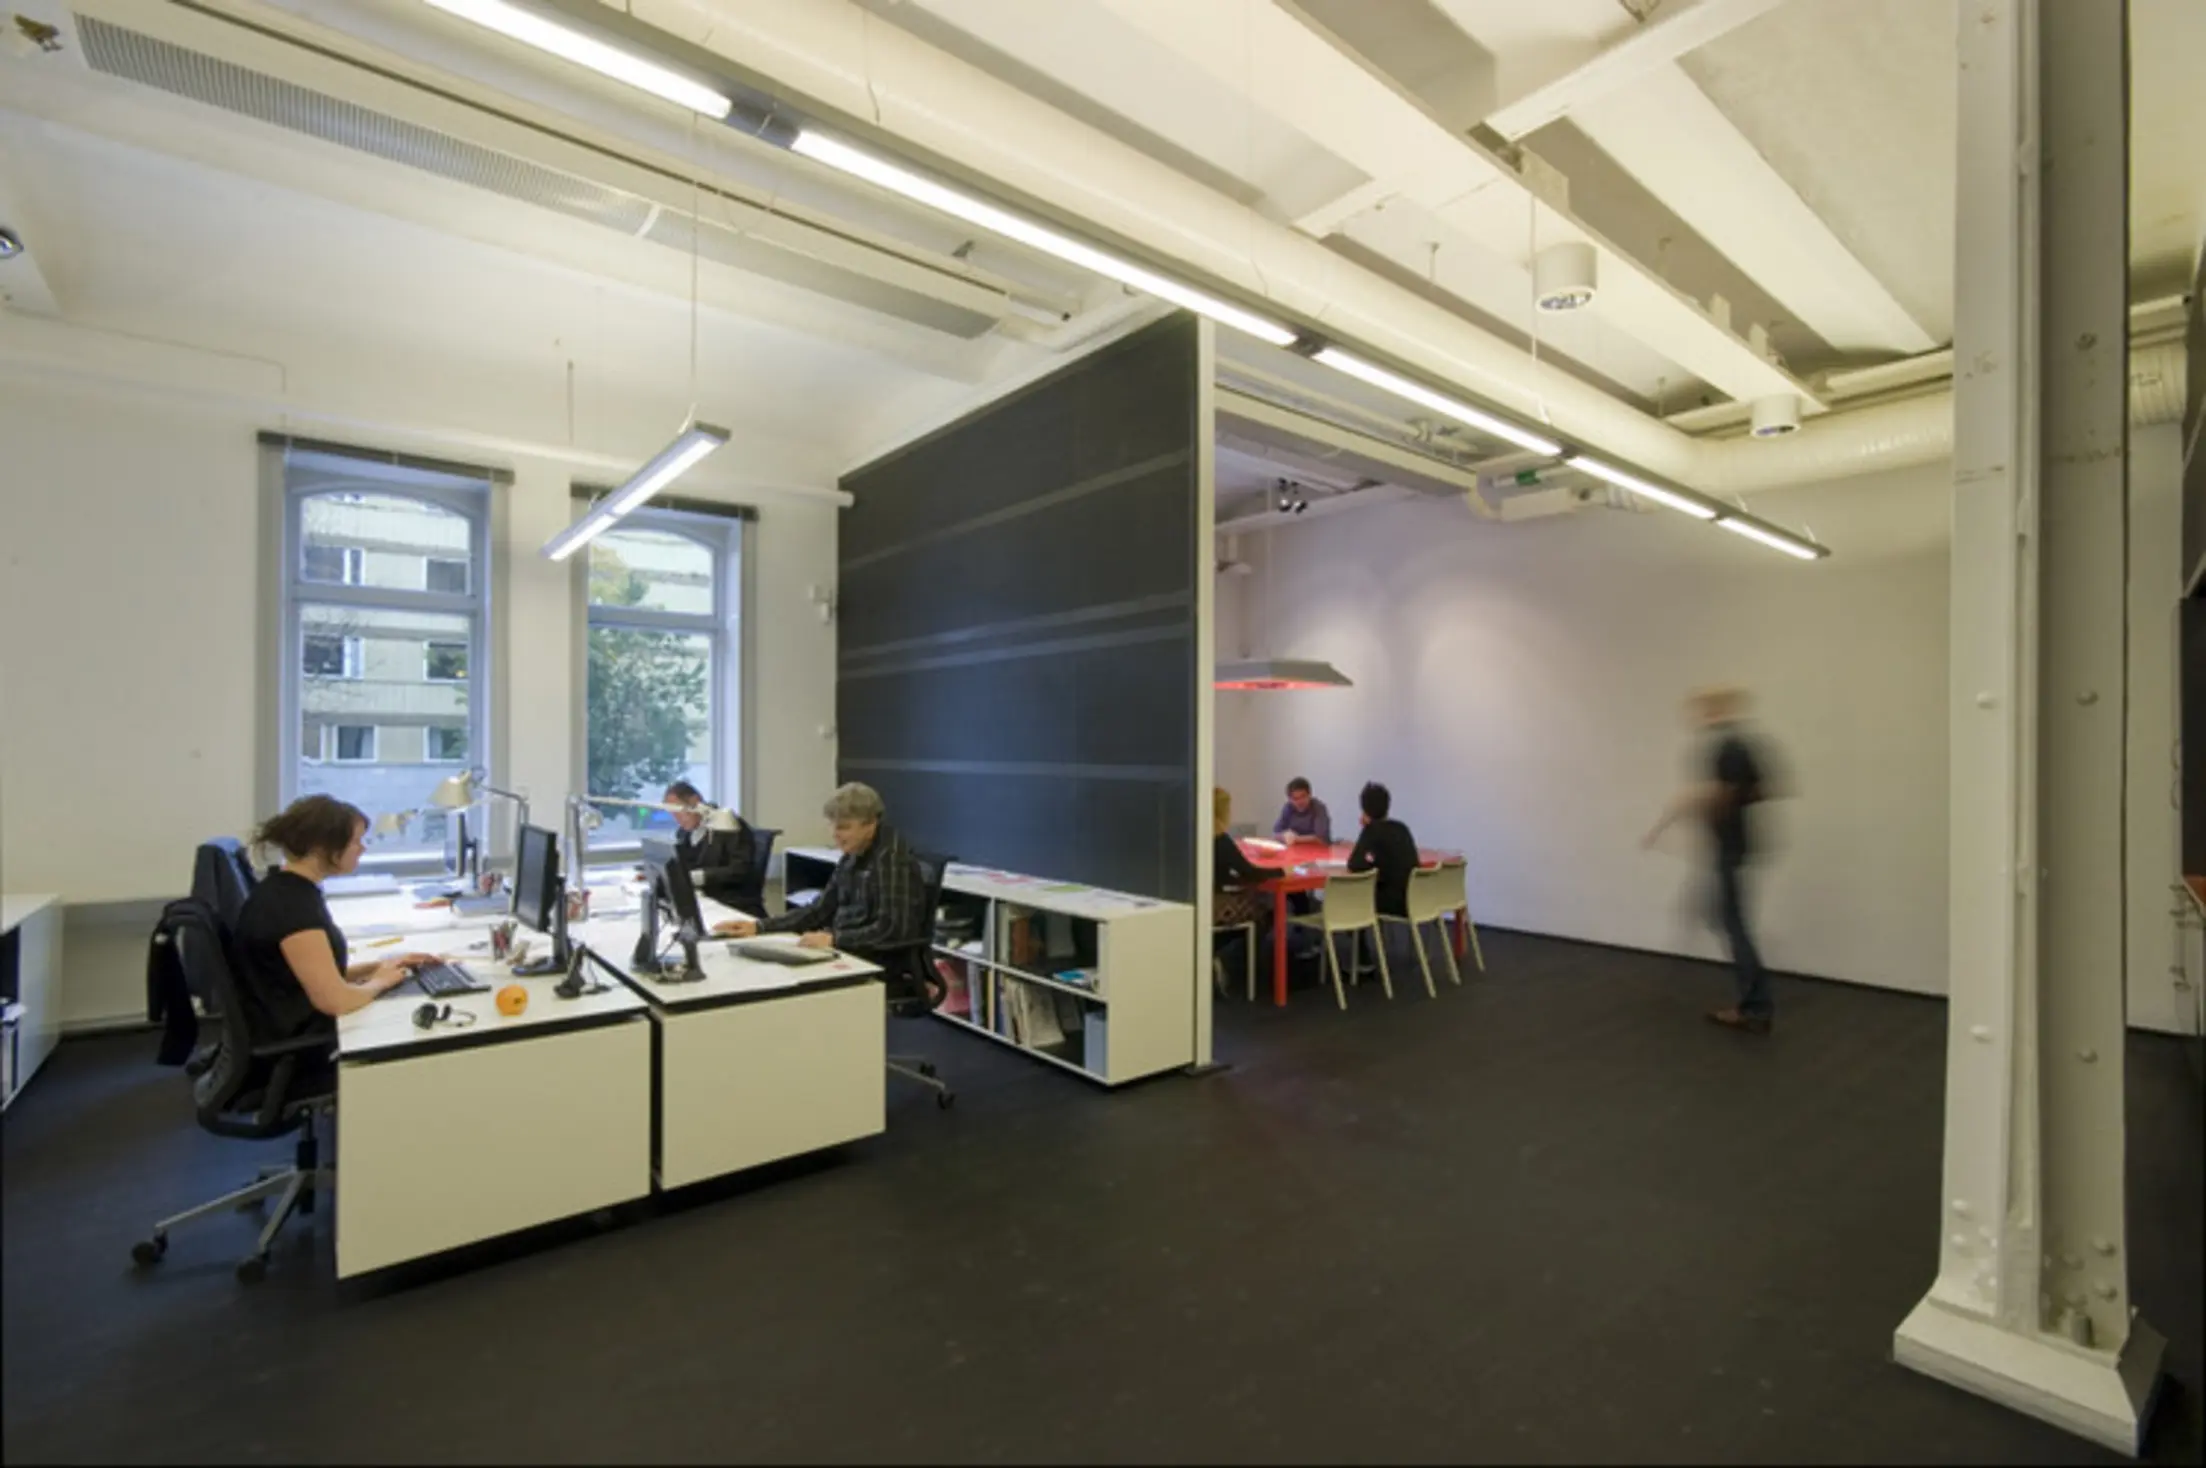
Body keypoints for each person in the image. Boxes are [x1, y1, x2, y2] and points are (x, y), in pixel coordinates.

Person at [231, 796, 439, 1063]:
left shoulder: (288, 890)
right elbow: (336, 1000)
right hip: (298, 1047)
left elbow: (308, 976)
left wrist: (376, 967)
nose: (362, 849)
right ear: (322, 847)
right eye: (355, 842)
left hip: (290, 1028)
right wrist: (383, 981)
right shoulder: (293, 908)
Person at [1644, 686, 1776, 1034]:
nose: (1698, 716)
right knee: (1721, 917)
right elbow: (1761, 789)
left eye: (1703, 709)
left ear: (1716, 711)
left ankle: (1756, 1008)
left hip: (1730, 849)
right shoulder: (1741, 746)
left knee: (1732, 924)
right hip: (1736, 846)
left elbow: (1730, 794)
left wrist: (1710, 803)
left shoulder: (1729, 748)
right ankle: (1754, 1003)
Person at [712, 783, 925, 959]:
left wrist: (834, 939)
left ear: (870, 825)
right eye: (832, 825)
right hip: (848, 948)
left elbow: (892, 929)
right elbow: (820, 909)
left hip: (875, 958)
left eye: (843, 827)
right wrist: (758, 927)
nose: (834, 834)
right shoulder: (853, 854)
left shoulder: (892, 859)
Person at [1212, 788, 1277, 996]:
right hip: (1215, 906)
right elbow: (1251, 873)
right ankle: (1243, 966)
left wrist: (1236, 880)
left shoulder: (1193, 835)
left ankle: (1212, 952)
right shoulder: (1220, 839)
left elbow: (1217, 873)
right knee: (1265, 910)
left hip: (1198, 901)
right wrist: (1282, 871)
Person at [663, 780, 758, 909]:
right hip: (699, 898)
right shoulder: (684, 832)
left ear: (694, 802)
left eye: (678, 813)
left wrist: (698, 877)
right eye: (673, 815)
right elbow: (685, 861)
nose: (677, 820)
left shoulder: (728, 824)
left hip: (729, 901)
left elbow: (739, 870)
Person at [1346, 781, 1418, 920]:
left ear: (1364, 809)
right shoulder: (1402, 828)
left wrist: (1366, 828)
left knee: (1352, 895)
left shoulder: (1372, 831)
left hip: (1388, 903)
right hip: (1413, 898)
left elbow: (1355, 864)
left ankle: (1357, 940)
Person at [1272, 777, 1333, 847]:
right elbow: (1275, 833)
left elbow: (1320, 838)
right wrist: (1283, 836)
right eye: (1295, 799)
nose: (1300, 802)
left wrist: (1296, 839)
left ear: (1309, 795)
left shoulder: (1319, 808)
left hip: (1318, 850)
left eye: (1303, 796)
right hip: (1295, 851)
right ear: (1290, 799)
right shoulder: (1288, 808)